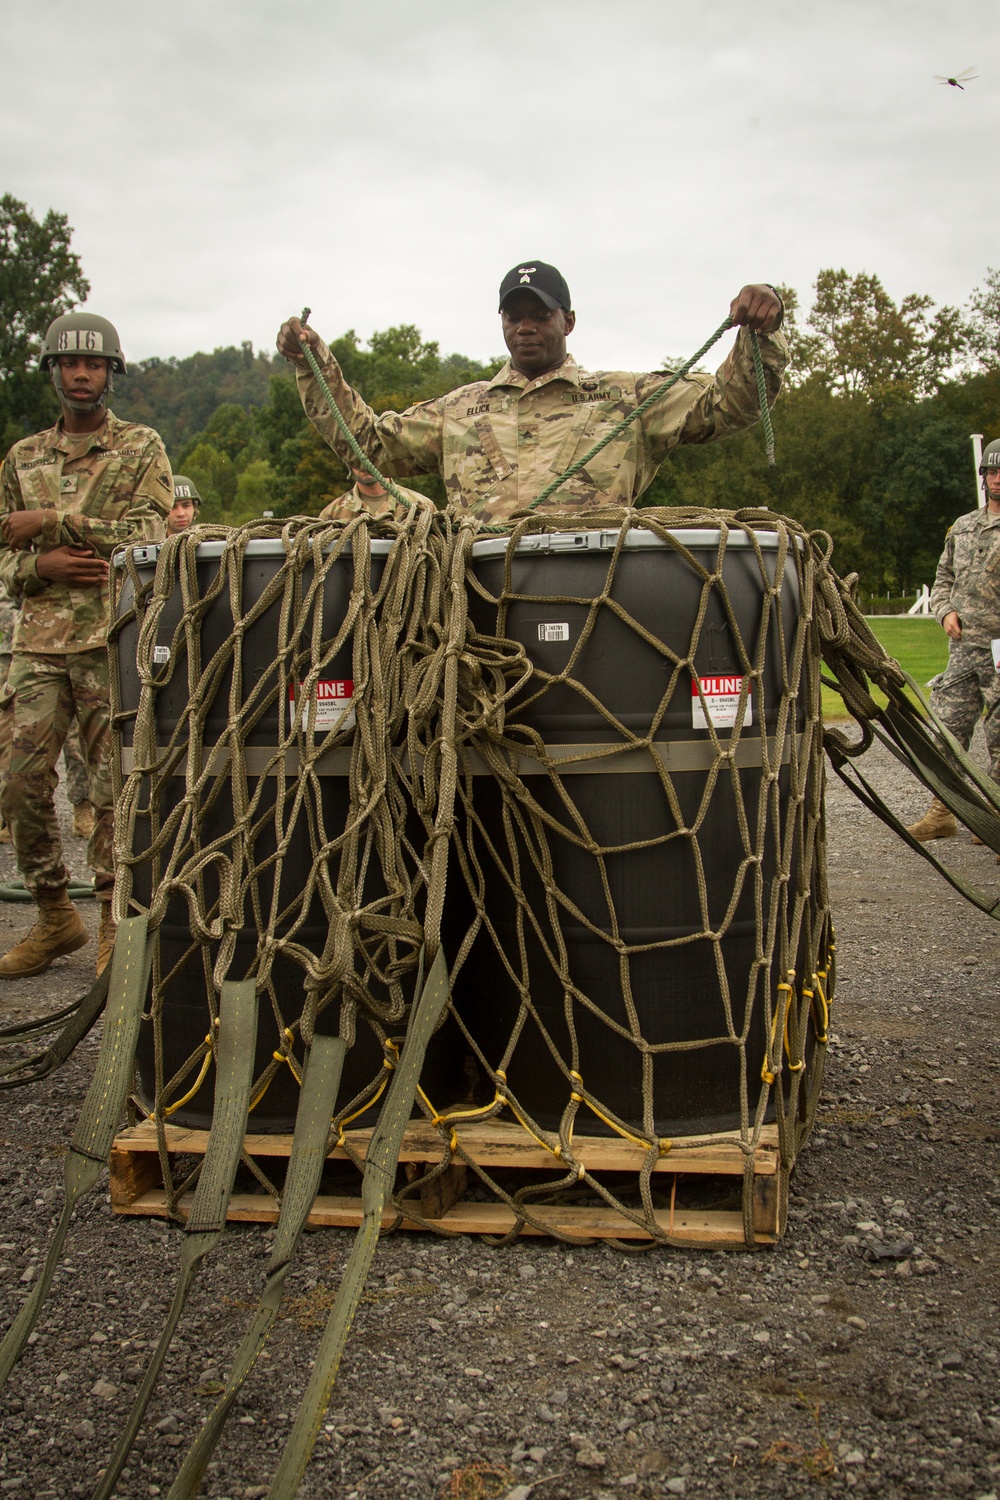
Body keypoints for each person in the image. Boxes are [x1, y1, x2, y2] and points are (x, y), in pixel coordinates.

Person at [276, 261, 787, 523]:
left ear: (568, 320)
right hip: (476, 615)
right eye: (513, 316)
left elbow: (729, 404)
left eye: (540, 315)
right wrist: (312, 364)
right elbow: (365, 443)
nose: (526, 327)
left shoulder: (626, 398)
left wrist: (761, 331)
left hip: (601, 598)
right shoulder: (459, 410)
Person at [0, 312, 171, 978]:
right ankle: (53, 915)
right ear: (53, 372)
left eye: (93, 365)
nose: (80, 374)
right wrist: (39, 567)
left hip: (113, 636)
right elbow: (6, 552)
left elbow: (150, 532)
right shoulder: (22, 458)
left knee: (113, 790)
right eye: (69, 364)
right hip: (39, 642)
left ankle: (109, 919)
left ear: (110, 372)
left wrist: (53, 521)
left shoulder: (140, 447)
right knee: (18, 785)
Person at [907, 438, 1000, 841]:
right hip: (963, 651)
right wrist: (943, 610)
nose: (998, 479)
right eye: (992, 472)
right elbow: (943, 578)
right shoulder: (963, 526)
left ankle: (995, 818)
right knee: (946, 730)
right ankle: (944, 811)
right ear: (984, 478)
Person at [318, 462, 428, 523]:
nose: (364, 463)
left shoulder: (422, 507)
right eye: (357, 457)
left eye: (372, 456)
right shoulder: (331, 515)